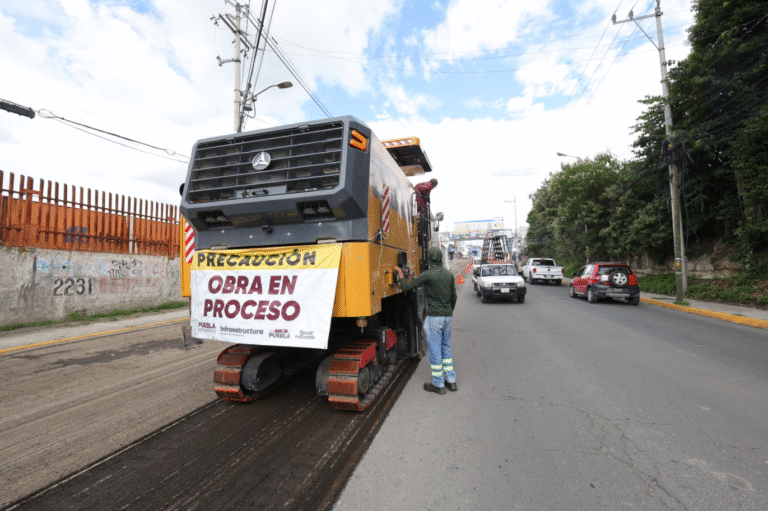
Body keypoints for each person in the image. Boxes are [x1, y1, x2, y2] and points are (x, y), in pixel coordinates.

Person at [394, 247, 458, 395]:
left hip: (435, 317)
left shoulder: (427, 274)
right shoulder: (448, 275)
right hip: (447, 317)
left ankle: (438, 384)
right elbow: (454, 297)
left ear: (429, 259)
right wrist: (448, 311)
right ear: (441, 258)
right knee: (445, 347)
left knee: (435, 349)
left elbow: (407, 287)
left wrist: (400, 274)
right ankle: (451, 381)